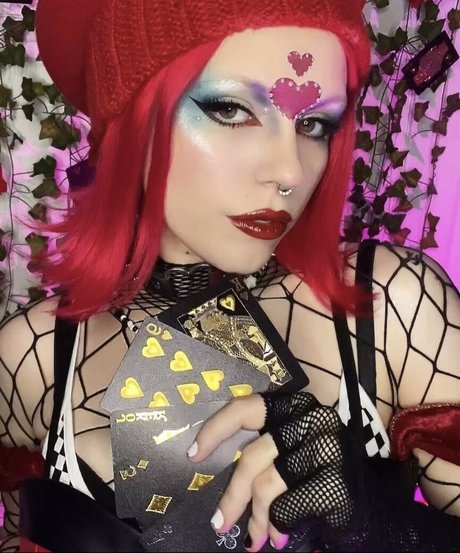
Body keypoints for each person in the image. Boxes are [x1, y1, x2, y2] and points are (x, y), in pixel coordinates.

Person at [0, 0, 459, 551]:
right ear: (133, 119)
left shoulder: (389, 306)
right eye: (231, 110)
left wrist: (378, 525)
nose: (289, 171)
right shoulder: (31, 352)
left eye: (314, 124)